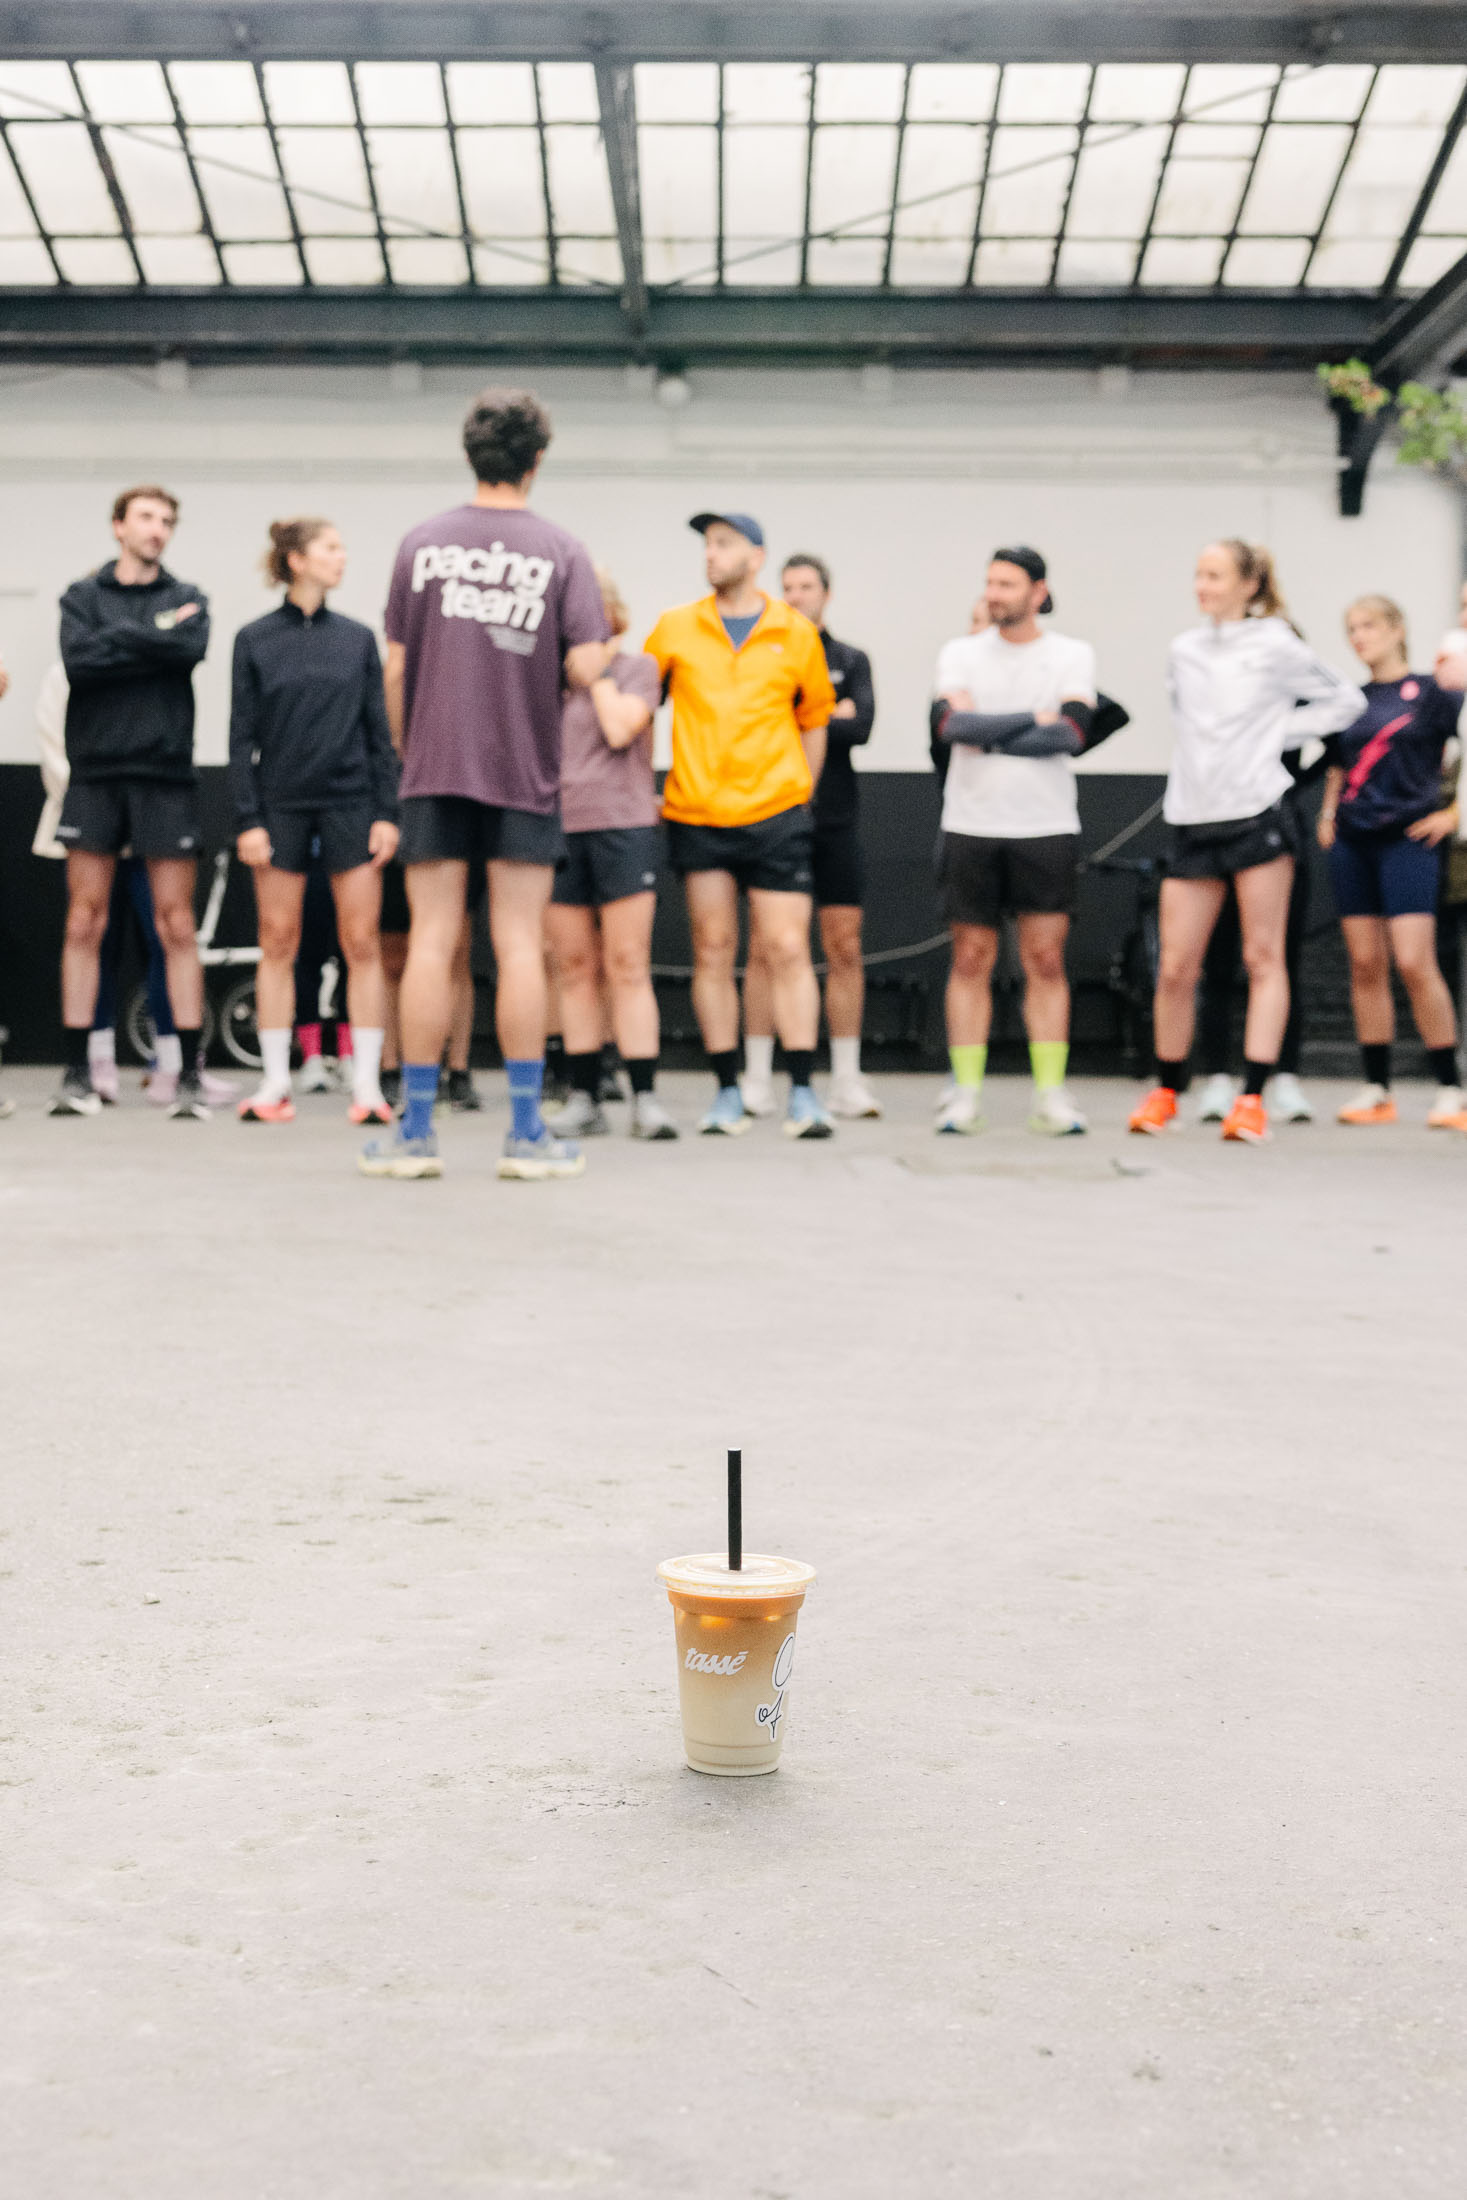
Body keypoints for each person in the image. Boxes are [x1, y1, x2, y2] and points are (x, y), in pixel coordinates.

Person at [363, 386, 607, 1181]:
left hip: (433, 769)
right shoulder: (562, 551)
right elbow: (584, 664)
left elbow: (394, 668)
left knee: (431, 941)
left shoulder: (420, 545)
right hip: (522, 771)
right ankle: (526, 1134)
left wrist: (411, 749)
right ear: (537, 459)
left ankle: (415, 1135)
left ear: (471, 454)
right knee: (519, 943)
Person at [1129, 540, 1365, 1143]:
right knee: (1176, 966)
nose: (1202, 586)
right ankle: (1166, 1091)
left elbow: (1347, 701)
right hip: (1194, 819)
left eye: (1214, 575)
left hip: (1259, 816)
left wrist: (1275, 732)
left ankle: (1253, 1098)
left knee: (1264, 958)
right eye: (1198, 574)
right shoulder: (1184, 650)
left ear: (1248, 584)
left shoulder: (1276, 643)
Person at [644, 512, 836, 1139]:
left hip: (777, 815)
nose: (711, 554)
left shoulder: (795, 632)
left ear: (756, 556)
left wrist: (801, 796)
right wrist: (641, 785)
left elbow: (814, 721)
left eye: (723, 544)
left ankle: (803, 1092)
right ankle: (728, 1091)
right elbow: (640, 708)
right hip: (698, 815)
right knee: (713, 949)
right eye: (707, 544)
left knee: (787, 949)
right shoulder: (675, 627)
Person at [230, 518, 398, 1125]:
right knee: (278, 941)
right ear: (297, 560)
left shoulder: (357, 639)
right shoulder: (254, 639)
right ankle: (276, 1082)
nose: (342, 557)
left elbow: (379, 733)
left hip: (352, 804)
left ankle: (368, 1088)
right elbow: (240, 737)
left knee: (361, 943)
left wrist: (386, 813)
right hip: (279, 807)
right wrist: (249, 819)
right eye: (331, 548)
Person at [53, 484, 212, 1119]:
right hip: (95, 775)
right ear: (119, 526)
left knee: (176, 926)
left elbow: (190, 648)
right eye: (146, 517)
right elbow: (78, 661)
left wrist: (120, 639)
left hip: (165, 777)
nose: (157, 529)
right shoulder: (80, 597)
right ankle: (77, 1073)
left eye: (167, 520)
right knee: (83, 923)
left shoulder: (188, 597)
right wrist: (152, 641)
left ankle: (189, 1075)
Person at [930, 545, 1097, 1136]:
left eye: (1007, 584)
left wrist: (990, 731)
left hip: (1044, 827)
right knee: (970, 958)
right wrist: (1034, 717)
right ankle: (965, 1095)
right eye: (991, 583)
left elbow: (1072, 733)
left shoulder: (1072, 654)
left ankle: (1050, 1096)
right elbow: (952, 726)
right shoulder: (960, 653)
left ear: (1037, 592)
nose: (995, 594)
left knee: (1044, 961)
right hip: (971, 825)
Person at [742, 553, 880, 1121]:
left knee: (843, 945)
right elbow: (762, 725)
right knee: (764, 947)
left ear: (827, 593)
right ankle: (756, 1078)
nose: (797, 595)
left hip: (836, 820)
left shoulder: (850, 659)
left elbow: (860, 725)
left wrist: (806, 718)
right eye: (788, 587)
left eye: (807, 586)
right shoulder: (766, 655)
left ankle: (846, 1078)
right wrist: (824, 715)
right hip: (773, 819)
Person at [1318, 593, 1465, 1128]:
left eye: (1369, 625)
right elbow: (1338, 764)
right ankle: (1377, 1089)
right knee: (1365, 963)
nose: (1360, 636)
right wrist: (1328, 815)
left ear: (1397, 629)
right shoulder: (1350, 700)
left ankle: (1450, 1089)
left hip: (1409, 840)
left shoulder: (1434, 692)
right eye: (1352, 628)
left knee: (1413, 961)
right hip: (1353, 840)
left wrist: (1453, 814)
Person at [544, 568, 677, 1141]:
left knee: (627, 963)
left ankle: (644, 1099)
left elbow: (622, 729)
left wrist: (595, 676)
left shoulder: (638, 668)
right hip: (559, 830)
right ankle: (584, 1097)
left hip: (623, 828)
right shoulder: (545, 680)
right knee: (574, 967)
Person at [1191, 750, 1321, 1128]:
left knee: (1280, 964)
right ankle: (1217, 1079)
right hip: (1214, 834)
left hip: (1276, 836)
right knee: (1217, 967)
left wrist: (1296, 782)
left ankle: (1284, 1079)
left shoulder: (1284, 713)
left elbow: (1336, 728)